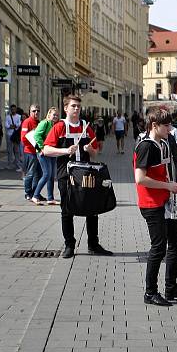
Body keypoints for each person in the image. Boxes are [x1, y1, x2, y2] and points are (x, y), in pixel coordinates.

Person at [133, 107, 177, 306]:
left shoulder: (164, 143)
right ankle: (150, 293)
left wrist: (175, 189)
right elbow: (140, 179)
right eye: (166, 125)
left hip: (164, 202)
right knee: (158, 247)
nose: (170, 128)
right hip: (151, 204)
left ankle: (170, 288)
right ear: (154, 126)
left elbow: (166, 173)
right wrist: (168, 186)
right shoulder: (145, 146)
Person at [42, 94, 113, 259]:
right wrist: (65, 151)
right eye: (73, 106)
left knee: (92, 208)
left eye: (78, 106)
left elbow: (95, 154)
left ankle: (93, 244)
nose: (76, 109)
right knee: (67, 210)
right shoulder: (59, 127)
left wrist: (90, 150)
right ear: (66, 108)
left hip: (86, 173)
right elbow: (46, 150)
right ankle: (69, 245)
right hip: (66, 174)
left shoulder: (86, 127)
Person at [32, 107, 61, 205]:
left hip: (52, 152)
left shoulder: (55, 124)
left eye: (57, 115)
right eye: (54, 115)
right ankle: (35, 196)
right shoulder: (44, 123)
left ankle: (50, 198)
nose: (55, 117)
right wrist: (42, 148)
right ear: (49, 115)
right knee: (47, 174)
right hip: (43, 152)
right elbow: (36, 135)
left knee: (51, 176)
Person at [21, 104, 44, 203]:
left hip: (38, 152)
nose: (36, 113)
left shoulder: (39, 122)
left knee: (39, 174)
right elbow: (23, 138)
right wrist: (34, 146)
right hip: (30, 152)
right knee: (30, 173)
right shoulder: (27, 122)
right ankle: (28, 193)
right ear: (30, 112)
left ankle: (36, 193)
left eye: (38, 111)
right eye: (34, 111)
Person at [5, 104, 22, 171]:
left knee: (16, 150)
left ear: (16, 110)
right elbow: (6, 125)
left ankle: (17, 164)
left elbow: (19, 124)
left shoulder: (19, 116)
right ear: (10, 110)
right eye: (12, 109)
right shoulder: (7, 117)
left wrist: (12, 126)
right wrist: (14, 126)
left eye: (14, 109)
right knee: (9, 150)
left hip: (15, 135)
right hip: (9, 135)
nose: (13, 110)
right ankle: (9, 164)